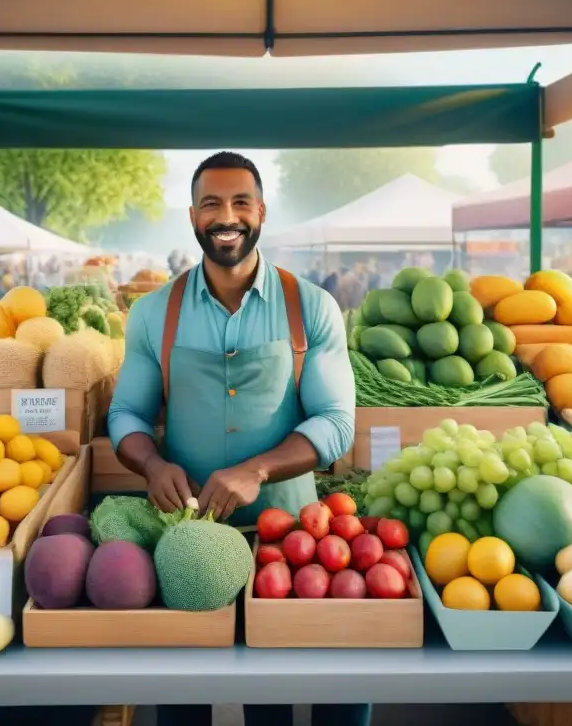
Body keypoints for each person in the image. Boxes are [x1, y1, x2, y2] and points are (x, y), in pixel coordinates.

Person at [107, 152, 368, 726]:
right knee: (182, 697)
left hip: (294, 536)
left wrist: (258, 471)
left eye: (240, 202)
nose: (227, 216)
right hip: (185, 536)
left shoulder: (312, 307)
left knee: (296, 685)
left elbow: (335, 422)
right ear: (193, 216)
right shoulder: (153, 314)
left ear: (261, 212)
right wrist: (150, 464)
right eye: (211, 204)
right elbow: (126, 414)